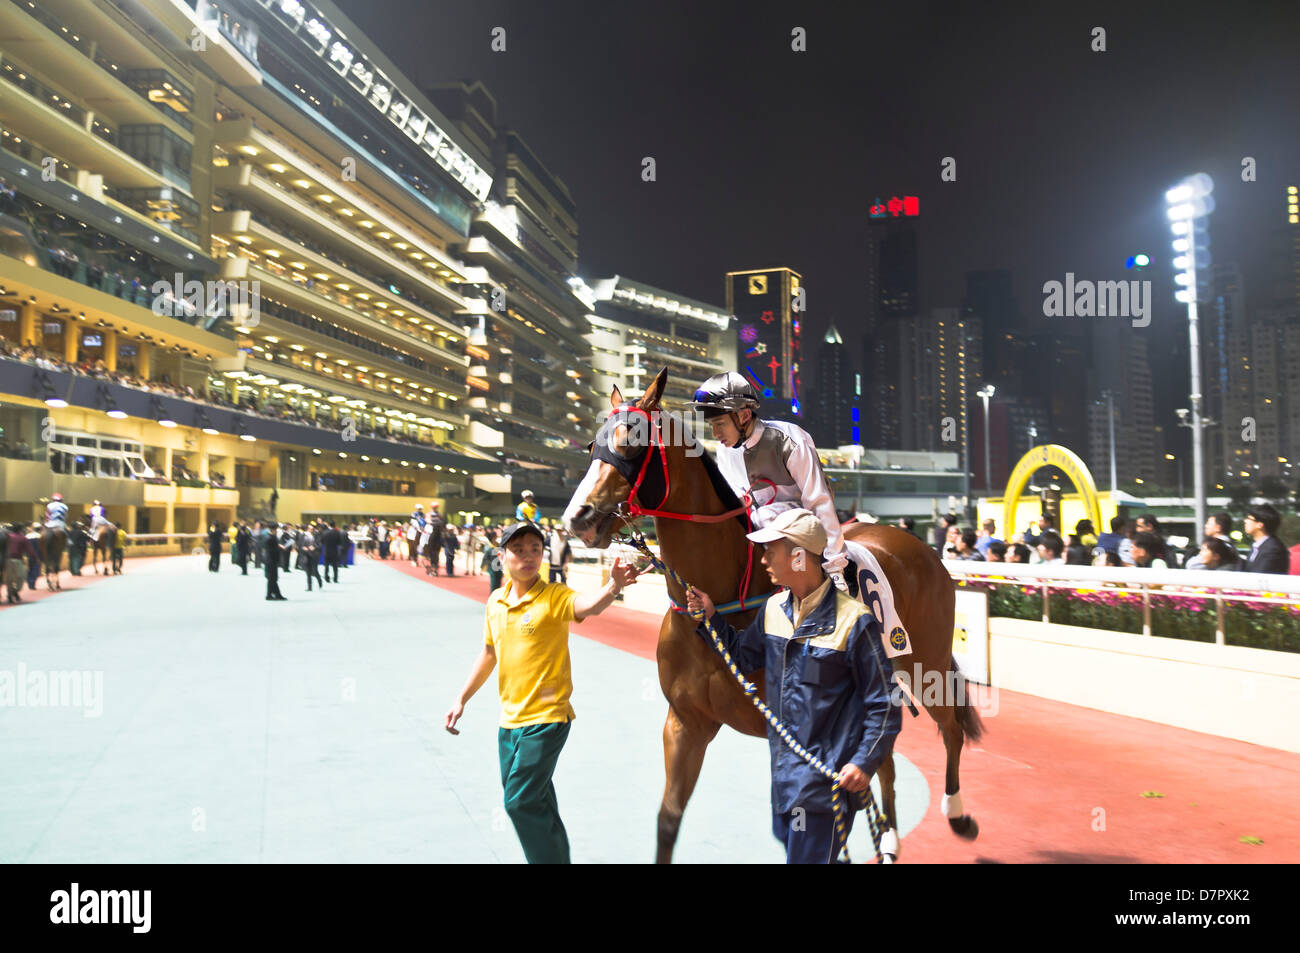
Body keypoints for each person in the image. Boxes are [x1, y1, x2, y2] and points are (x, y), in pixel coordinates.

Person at [684, 508, 901, 864]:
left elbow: (885, 704)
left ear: (799, 556)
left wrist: (863, 762)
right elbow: (743, 656)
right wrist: (710, 619)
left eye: (771, 550)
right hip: (784, 782)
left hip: (825, 788)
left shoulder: (855, 621)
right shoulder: (772, 610)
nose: (764, 558)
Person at [444, 521, 642, 864]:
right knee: (540, 801)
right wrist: (461, 698)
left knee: (518, 802)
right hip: (510, 722)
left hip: (548, 719)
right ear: (502, 556)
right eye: (518, 550)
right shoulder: (496, 602)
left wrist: (613, 586)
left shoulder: (554, 596)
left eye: (535, 549)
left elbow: (588, 607)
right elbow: (489, 653)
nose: (528, 556)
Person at [688, 372, 851, 589]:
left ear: (744, 416)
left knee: (764, 515)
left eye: (720, 424)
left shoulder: (790, 439)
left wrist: (834, 567)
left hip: (806, 530)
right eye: (711, 426)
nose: (715, 433)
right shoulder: (725, 451)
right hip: (762, 533)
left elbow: (819, 502)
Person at [1240, 504, 1288, 574]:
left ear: (1260, 525)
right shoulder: (1258, 546)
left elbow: (1259, 576)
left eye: (1249, 518)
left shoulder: (1273, 549)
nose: (1245, 521)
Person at [5, 522, 35, 604]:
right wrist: (34, 558)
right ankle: (15, 591)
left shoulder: (8, 537)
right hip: (18, 560)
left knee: (9, 580)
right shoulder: (23, 538)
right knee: (21, 577)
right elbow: (30, 551)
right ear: (21, 529)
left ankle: (10, 594)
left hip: (7, 560)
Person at [263, 522, 285, 600]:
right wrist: (279, 548)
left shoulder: (271, 537)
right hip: (271, 560)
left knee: (273, 578)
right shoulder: (270, 538)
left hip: (272, 560)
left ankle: (277, 594)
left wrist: (278, 546)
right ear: (274, 529)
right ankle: (269, 595)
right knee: (271, 579)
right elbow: (271, 550)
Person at [298, 525, 323, 591]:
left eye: (312, 529)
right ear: (307, 529)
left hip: (314, 555)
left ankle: (319, 580)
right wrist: (303, 548)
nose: (312, 530)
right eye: (310, 529)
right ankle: (309, 587)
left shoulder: (316, 535)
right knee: (308, 572)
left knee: (315, 570)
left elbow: (319, 544)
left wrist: (314, 547)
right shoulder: (302, 535)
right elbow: (300, 544)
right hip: (306, 555)